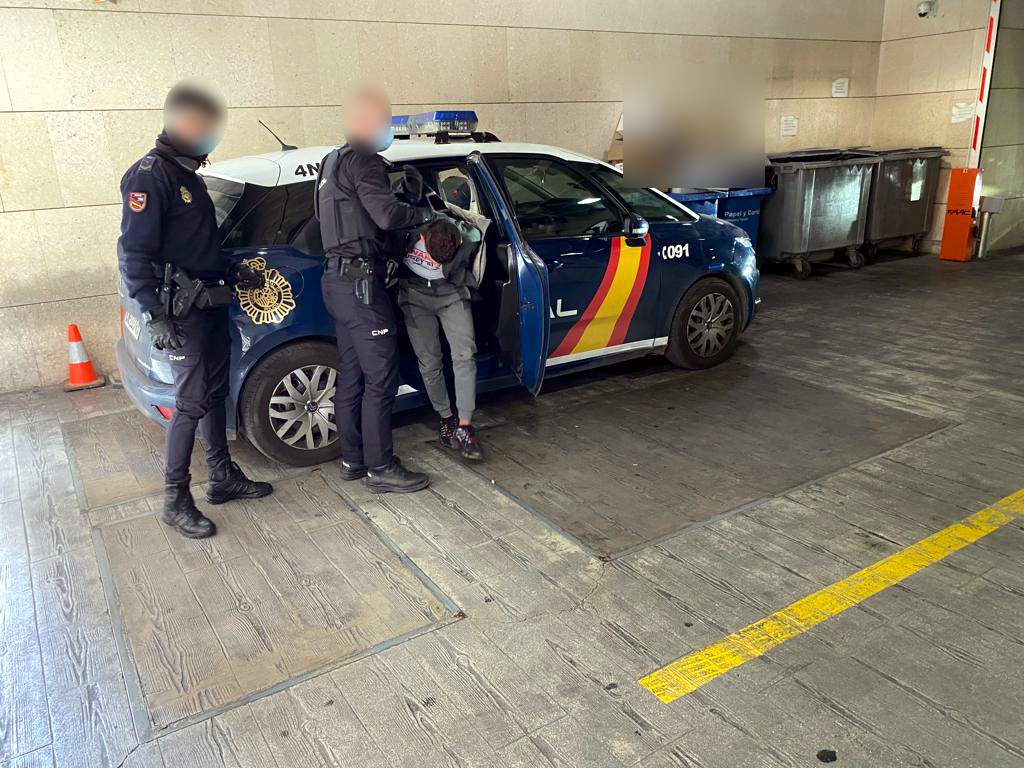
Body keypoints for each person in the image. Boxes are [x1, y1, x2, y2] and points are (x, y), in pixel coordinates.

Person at [117, 78, 273, 539]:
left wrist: (233, 270)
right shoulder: (150, 177)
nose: (209, 134)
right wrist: (153, 313)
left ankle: (222, 476)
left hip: (211, 302)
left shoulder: (189, 175)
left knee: (214, 393)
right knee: (189, 403)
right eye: (202, 125)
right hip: (181, 311)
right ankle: (175, 499)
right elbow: (134, 253)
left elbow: (198, 247)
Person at [317, 85, 434, 493]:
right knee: (382, 378)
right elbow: (385, 216)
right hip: (361, 286)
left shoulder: (332, 161)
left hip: (337, 281)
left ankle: (353, 459)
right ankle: (381, 467)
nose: (388, 127)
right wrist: (421, 214)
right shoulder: (365, 160)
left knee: (352, 375)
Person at [398, 212, 485, 461]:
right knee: (429, 361)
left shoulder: (468, 237)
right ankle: (446, 417)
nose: (437, 265)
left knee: (465, 355)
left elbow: (478, 231)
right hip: (414, 297)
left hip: (451, 294)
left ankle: (465, 426)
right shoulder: (408, 232)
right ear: (423, 239)